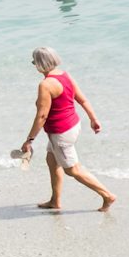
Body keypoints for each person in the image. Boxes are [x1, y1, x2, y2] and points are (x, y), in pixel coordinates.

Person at [19, 47, 116, 211]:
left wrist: (29, 140)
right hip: (72, 126)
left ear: (40, 64)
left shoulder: (46, 85)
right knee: (52, 160)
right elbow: (82, 100)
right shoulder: (66, 76)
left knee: (73, 170)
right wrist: (94, 119)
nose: (34, 64)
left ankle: (107, 195)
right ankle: (55, 201)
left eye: (34, 62)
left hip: (61, 133)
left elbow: (42, 116)